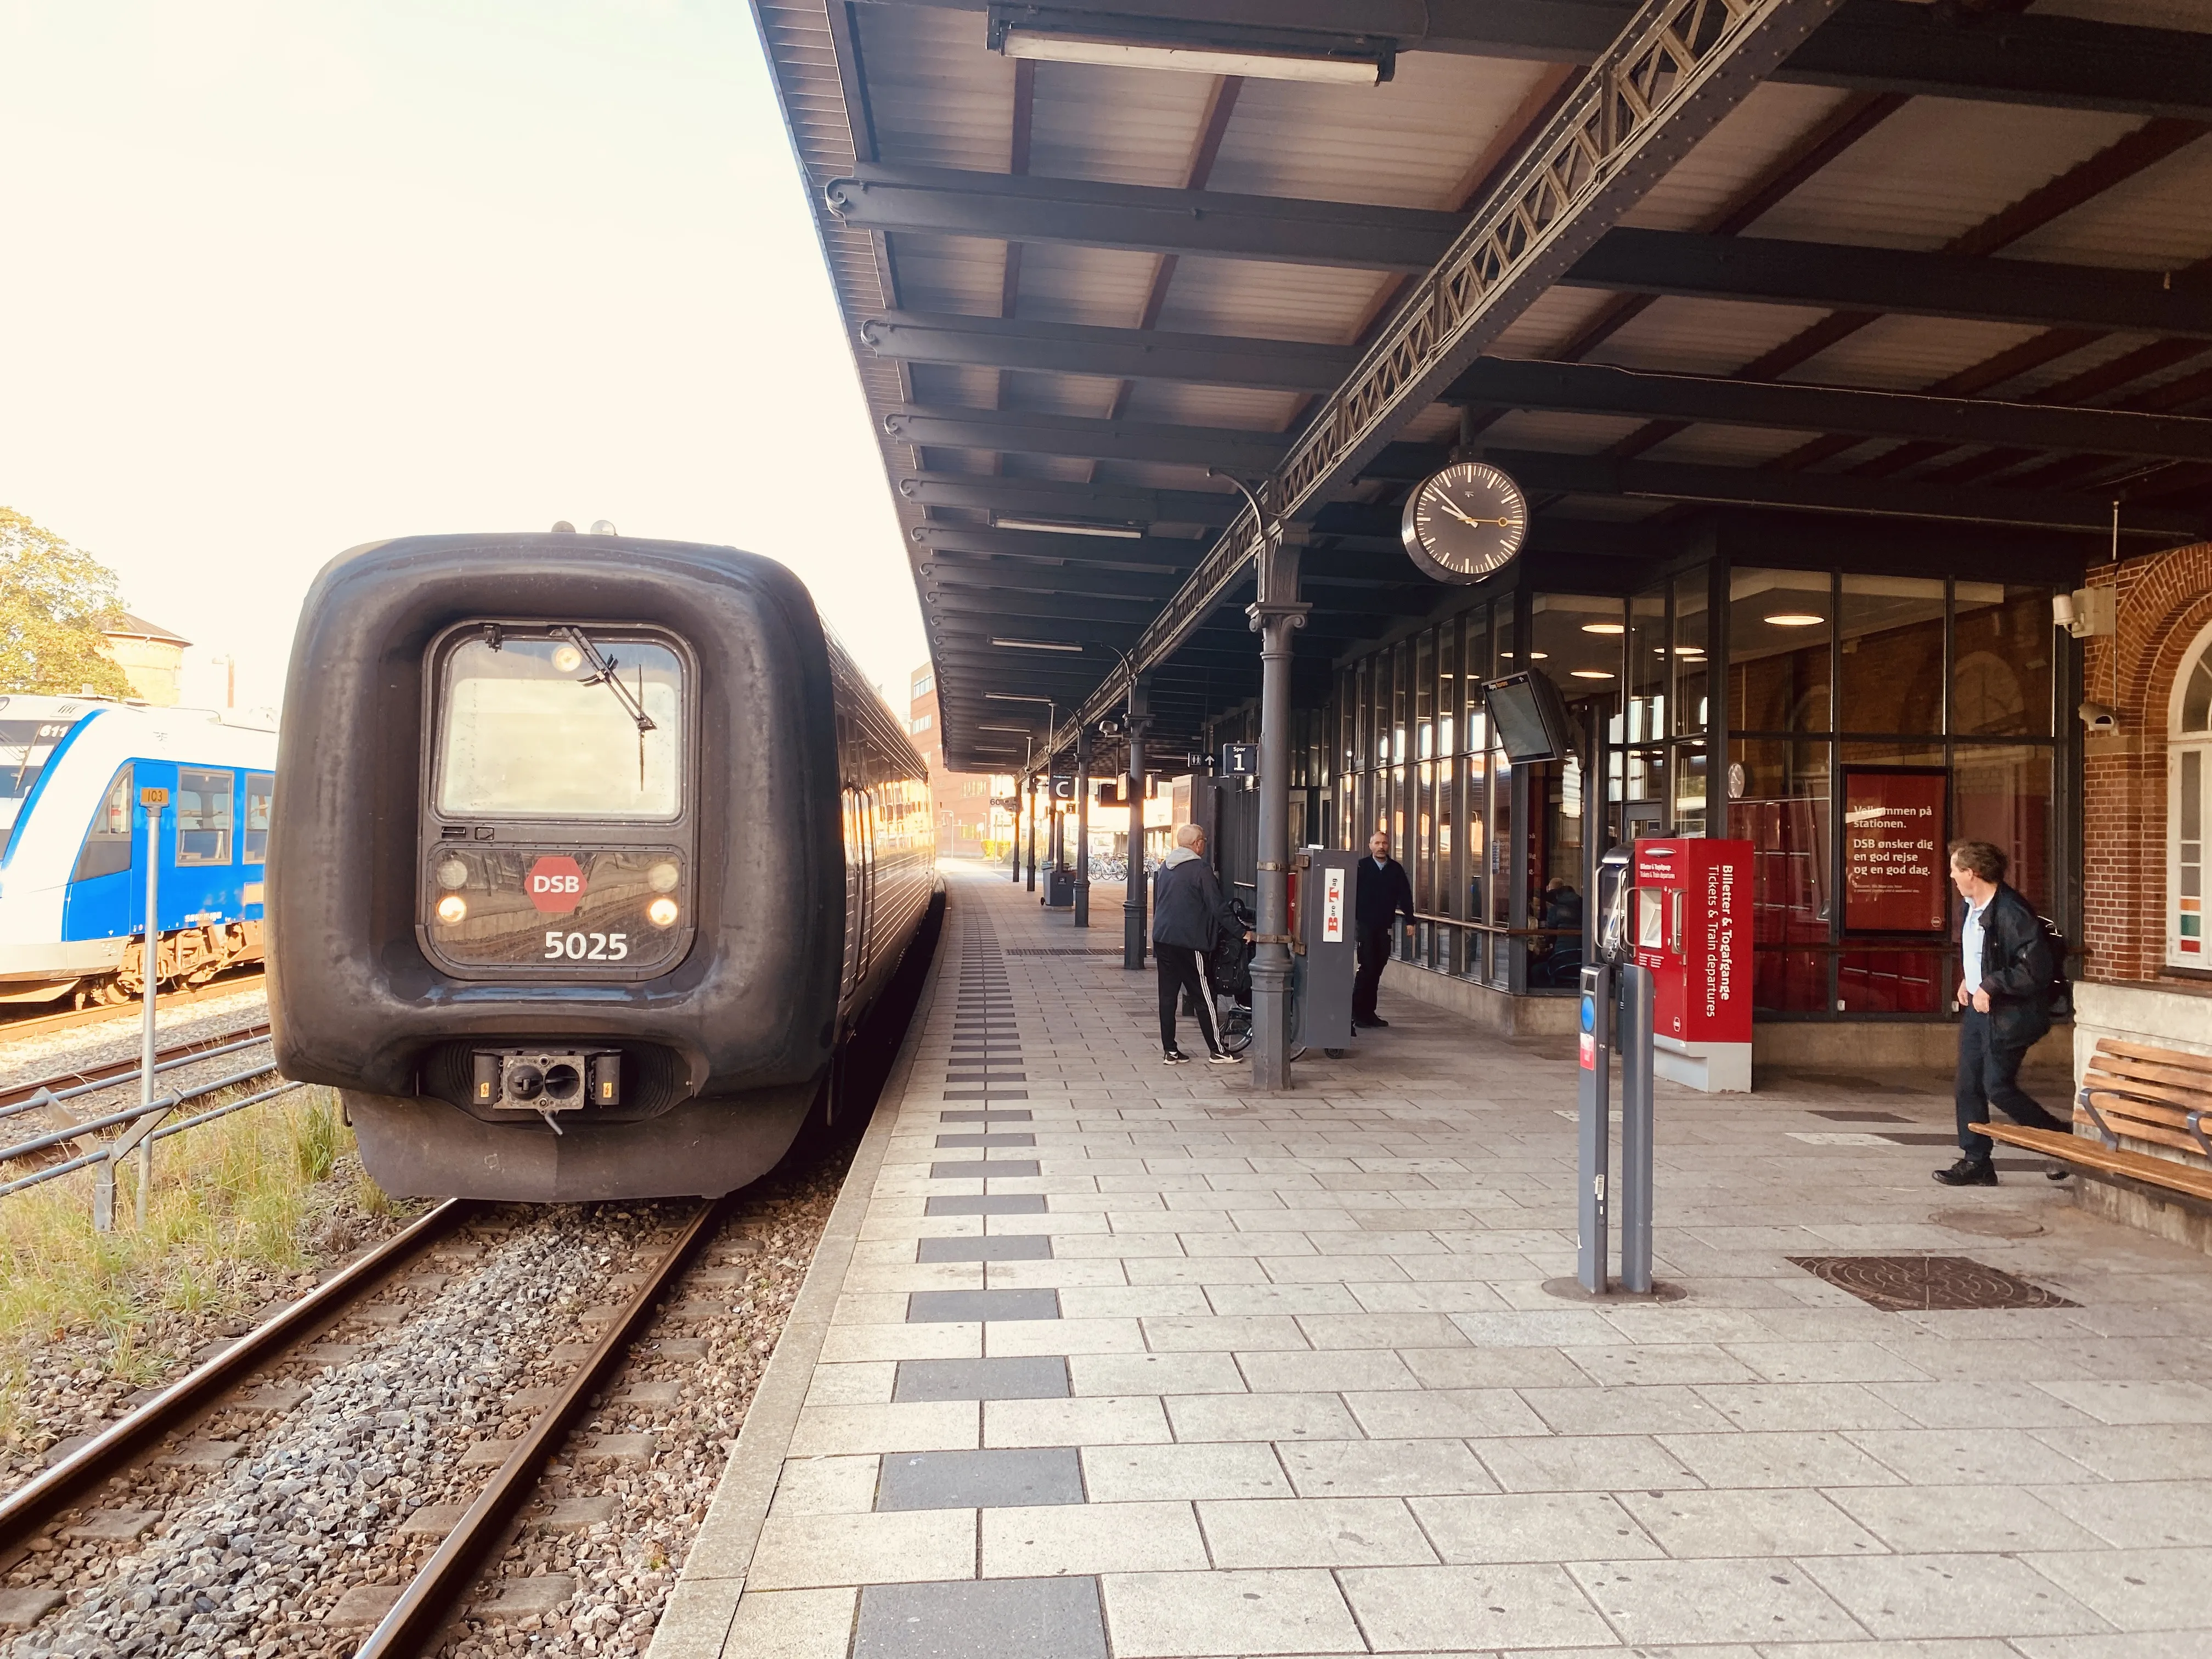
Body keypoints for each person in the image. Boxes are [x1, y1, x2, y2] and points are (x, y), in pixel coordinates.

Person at [1936, 838, 2068, 1187]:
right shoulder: (1971, 906)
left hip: (2012, 1014)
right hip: (1982, 1010)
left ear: (1973, 873)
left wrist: (1992, 984)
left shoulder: (2012, 913)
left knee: (1997, 1087)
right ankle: (1976, 1160)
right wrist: (1971, 980)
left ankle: (2065, 1140)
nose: (1951, 876)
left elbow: (2035, 970)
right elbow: (1986, 954)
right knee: (1967, 1086)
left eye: (1955, 869)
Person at [1152, 823, 1249, 1065]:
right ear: (1197, 844)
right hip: (1189, 941)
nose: (1204, 844)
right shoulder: (1200, 869)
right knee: (1204, 995)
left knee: (1167, 995)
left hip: (1163, 938)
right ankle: (1217, 1050)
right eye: (1203, 840)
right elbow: (1218, 907)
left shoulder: (1166, 866)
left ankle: (1170, 1051)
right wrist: (1242, 932)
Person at [1352, 830, 1414, 1029]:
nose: (1381, 847)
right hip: (1365, 925)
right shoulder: (1361, 867)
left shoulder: (1395, 869)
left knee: (1378, 968)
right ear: (1370, 845)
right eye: (1377, 843)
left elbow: (1405, 895)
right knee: (1367, 967)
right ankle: (1357, 1013)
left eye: (1385, 843)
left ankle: (1370, 1013)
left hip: (1384, 925)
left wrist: (1410, 920)